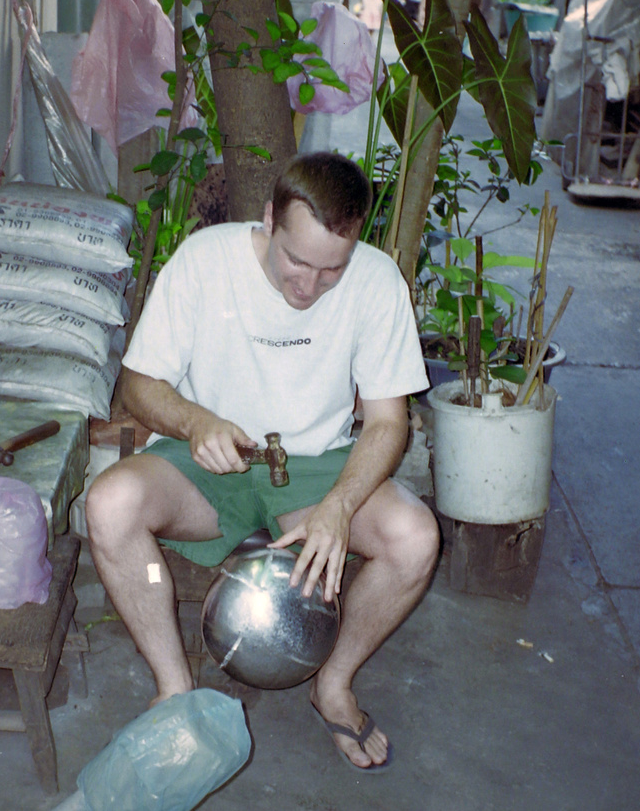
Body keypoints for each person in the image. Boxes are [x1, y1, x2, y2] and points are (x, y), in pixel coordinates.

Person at [85, 152, 440, 772]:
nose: (308, 286)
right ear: (270, 218)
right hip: (205, 462)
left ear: (356, 241)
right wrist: (194, 421)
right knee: (110, 505)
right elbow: (139, 386)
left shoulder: (379, 282)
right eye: (295, 260)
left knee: (415, 539)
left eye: (331, 270)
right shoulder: (204, 260)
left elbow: (388, 422)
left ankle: (333, 681)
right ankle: (173, 689)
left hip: (314, 469)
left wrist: (340, 504)